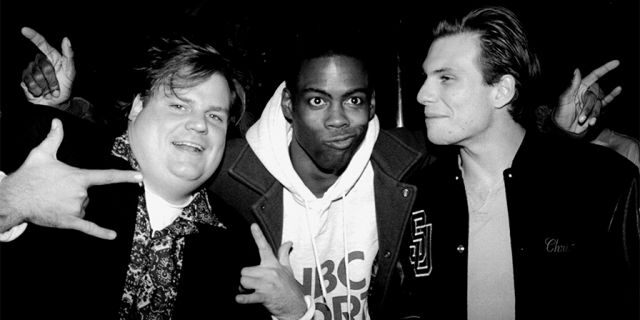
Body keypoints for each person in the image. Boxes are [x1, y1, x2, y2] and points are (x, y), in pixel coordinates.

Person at [5, 21, 624, 320]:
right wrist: (13, 192)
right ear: (287, 106)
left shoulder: (409, 167)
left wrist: (559, 134)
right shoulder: (231, 181)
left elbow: (495, 139)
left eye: (355, 100)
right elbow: (132, 143)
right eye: (316, 100)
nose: (336, 119)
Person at [0, 29, 269, 320]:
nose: (199, 125)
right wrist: (12, 201)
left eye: (214, 116)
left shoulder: (236, 244)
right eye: (179, 105)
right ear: (138, 107)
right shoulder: (53, 152)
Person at [400, 6, 639, 319]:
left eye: (445, 78)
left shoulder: (603, 182)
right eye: (426, 77)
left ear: (502, 91)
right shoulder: (414, 192)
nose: (422, 95)